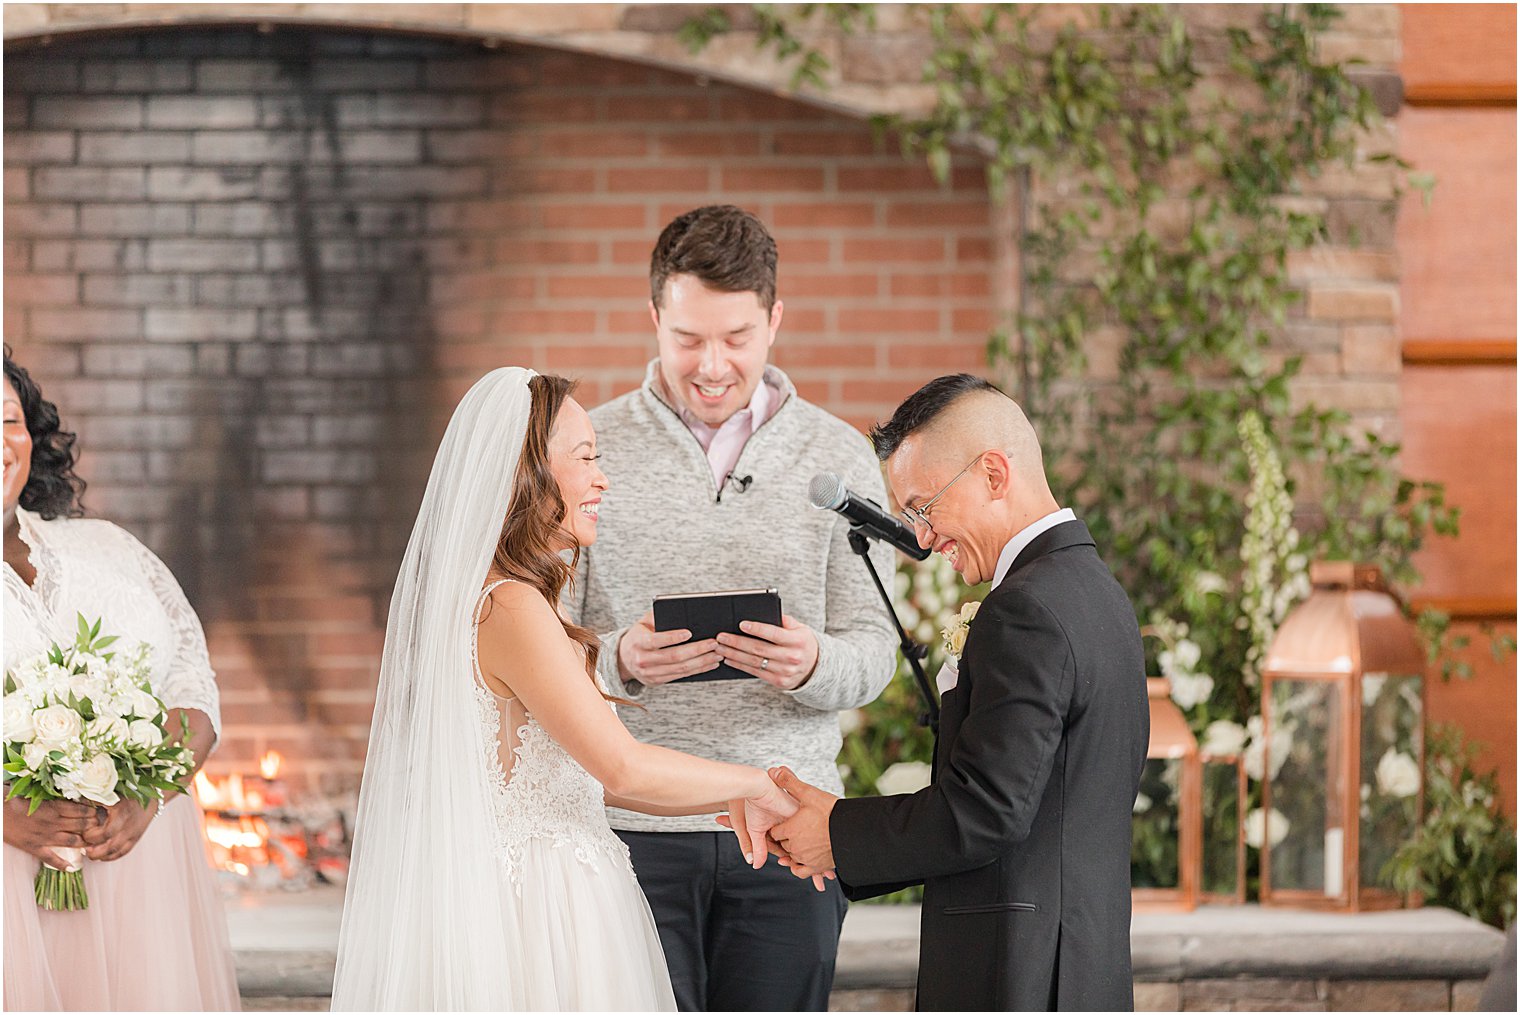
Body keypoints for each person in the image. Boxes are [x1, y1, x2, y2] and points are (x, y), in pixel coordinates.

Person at [331, 368, 811, 1012]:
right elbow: (621, 766)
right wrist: (755, 782)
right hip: (541, 917)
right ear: (524, 474)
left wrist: (730, 800)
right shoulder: (510, 607)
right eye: (585, 458)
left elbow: (598, 782)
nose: (602, 479)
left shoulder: (504, 600)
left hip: (559, 889)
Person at [567, 205, 899, 1011]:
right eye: (687, 338)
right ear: (654, 317)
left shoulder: (839, 456)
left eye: (737, 338)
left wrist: (814, 661)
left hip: (791, 827)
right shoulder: (587, 446)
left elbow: (877, 648)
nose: (711, 364)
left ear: (775, 319)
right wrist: (620, 661)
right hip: (628, 830)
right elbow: (541, 640)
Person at [767, 373, 1150, 1011]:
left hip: (1019, 975)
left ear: (993, 474)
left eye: (924, 505)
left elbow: (986, 809)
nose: (920, 537)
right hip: (1081, 966)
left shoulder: (1025, 608)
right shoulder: (1097, 591)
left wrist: (836, 831)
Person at [2, 350, 240, 1011]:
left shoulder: (108, 547)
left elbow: (195, 681)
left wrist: (152, 795)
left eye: (8, 419)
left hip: (140, 898)